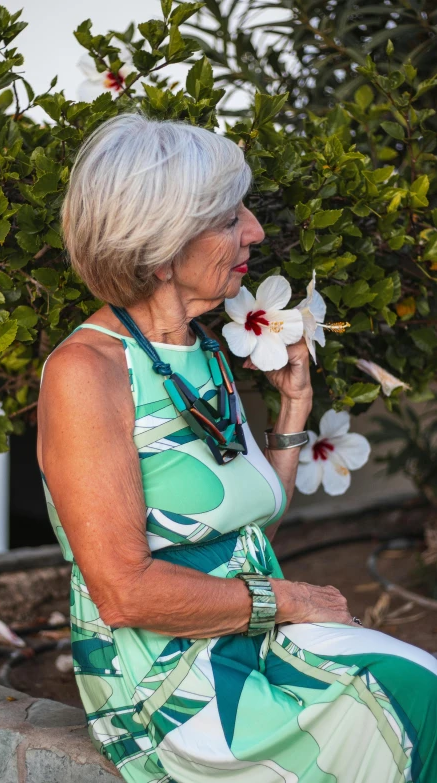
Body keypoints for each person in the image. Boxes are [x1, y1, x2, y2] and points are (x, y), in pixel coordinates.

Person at [37, 112, 437, 783]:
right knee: (410, 704)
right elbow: (124, 593)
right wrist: (291, 599)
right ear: (161, 247)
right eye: (229, 217)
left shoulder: (202, 351)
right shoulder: (88, 372)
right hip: (175, 684)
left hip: (244, 634)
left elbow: (244, 535)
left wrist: (294, 407)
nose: (253, 229)